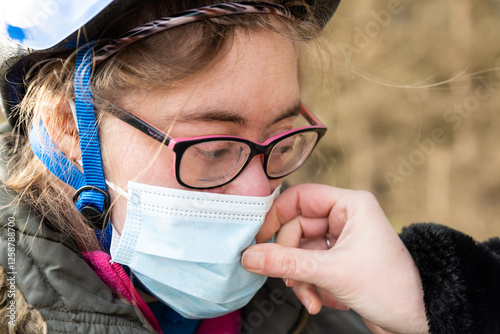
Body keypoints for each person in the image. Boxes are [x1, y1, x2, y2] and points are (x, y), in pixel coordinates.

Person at [0, 0, 374, 333]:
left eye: (283, 139)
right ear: (70, 127)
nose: (261, 195)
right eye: (212, 150)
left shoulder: (336, 302)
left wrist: (420, 309)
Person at [241, 184, 500, 334]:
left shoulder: (354, 318)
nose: (259, 189)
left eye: (284, 146)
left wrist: (434, 300)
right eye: (215, 151)